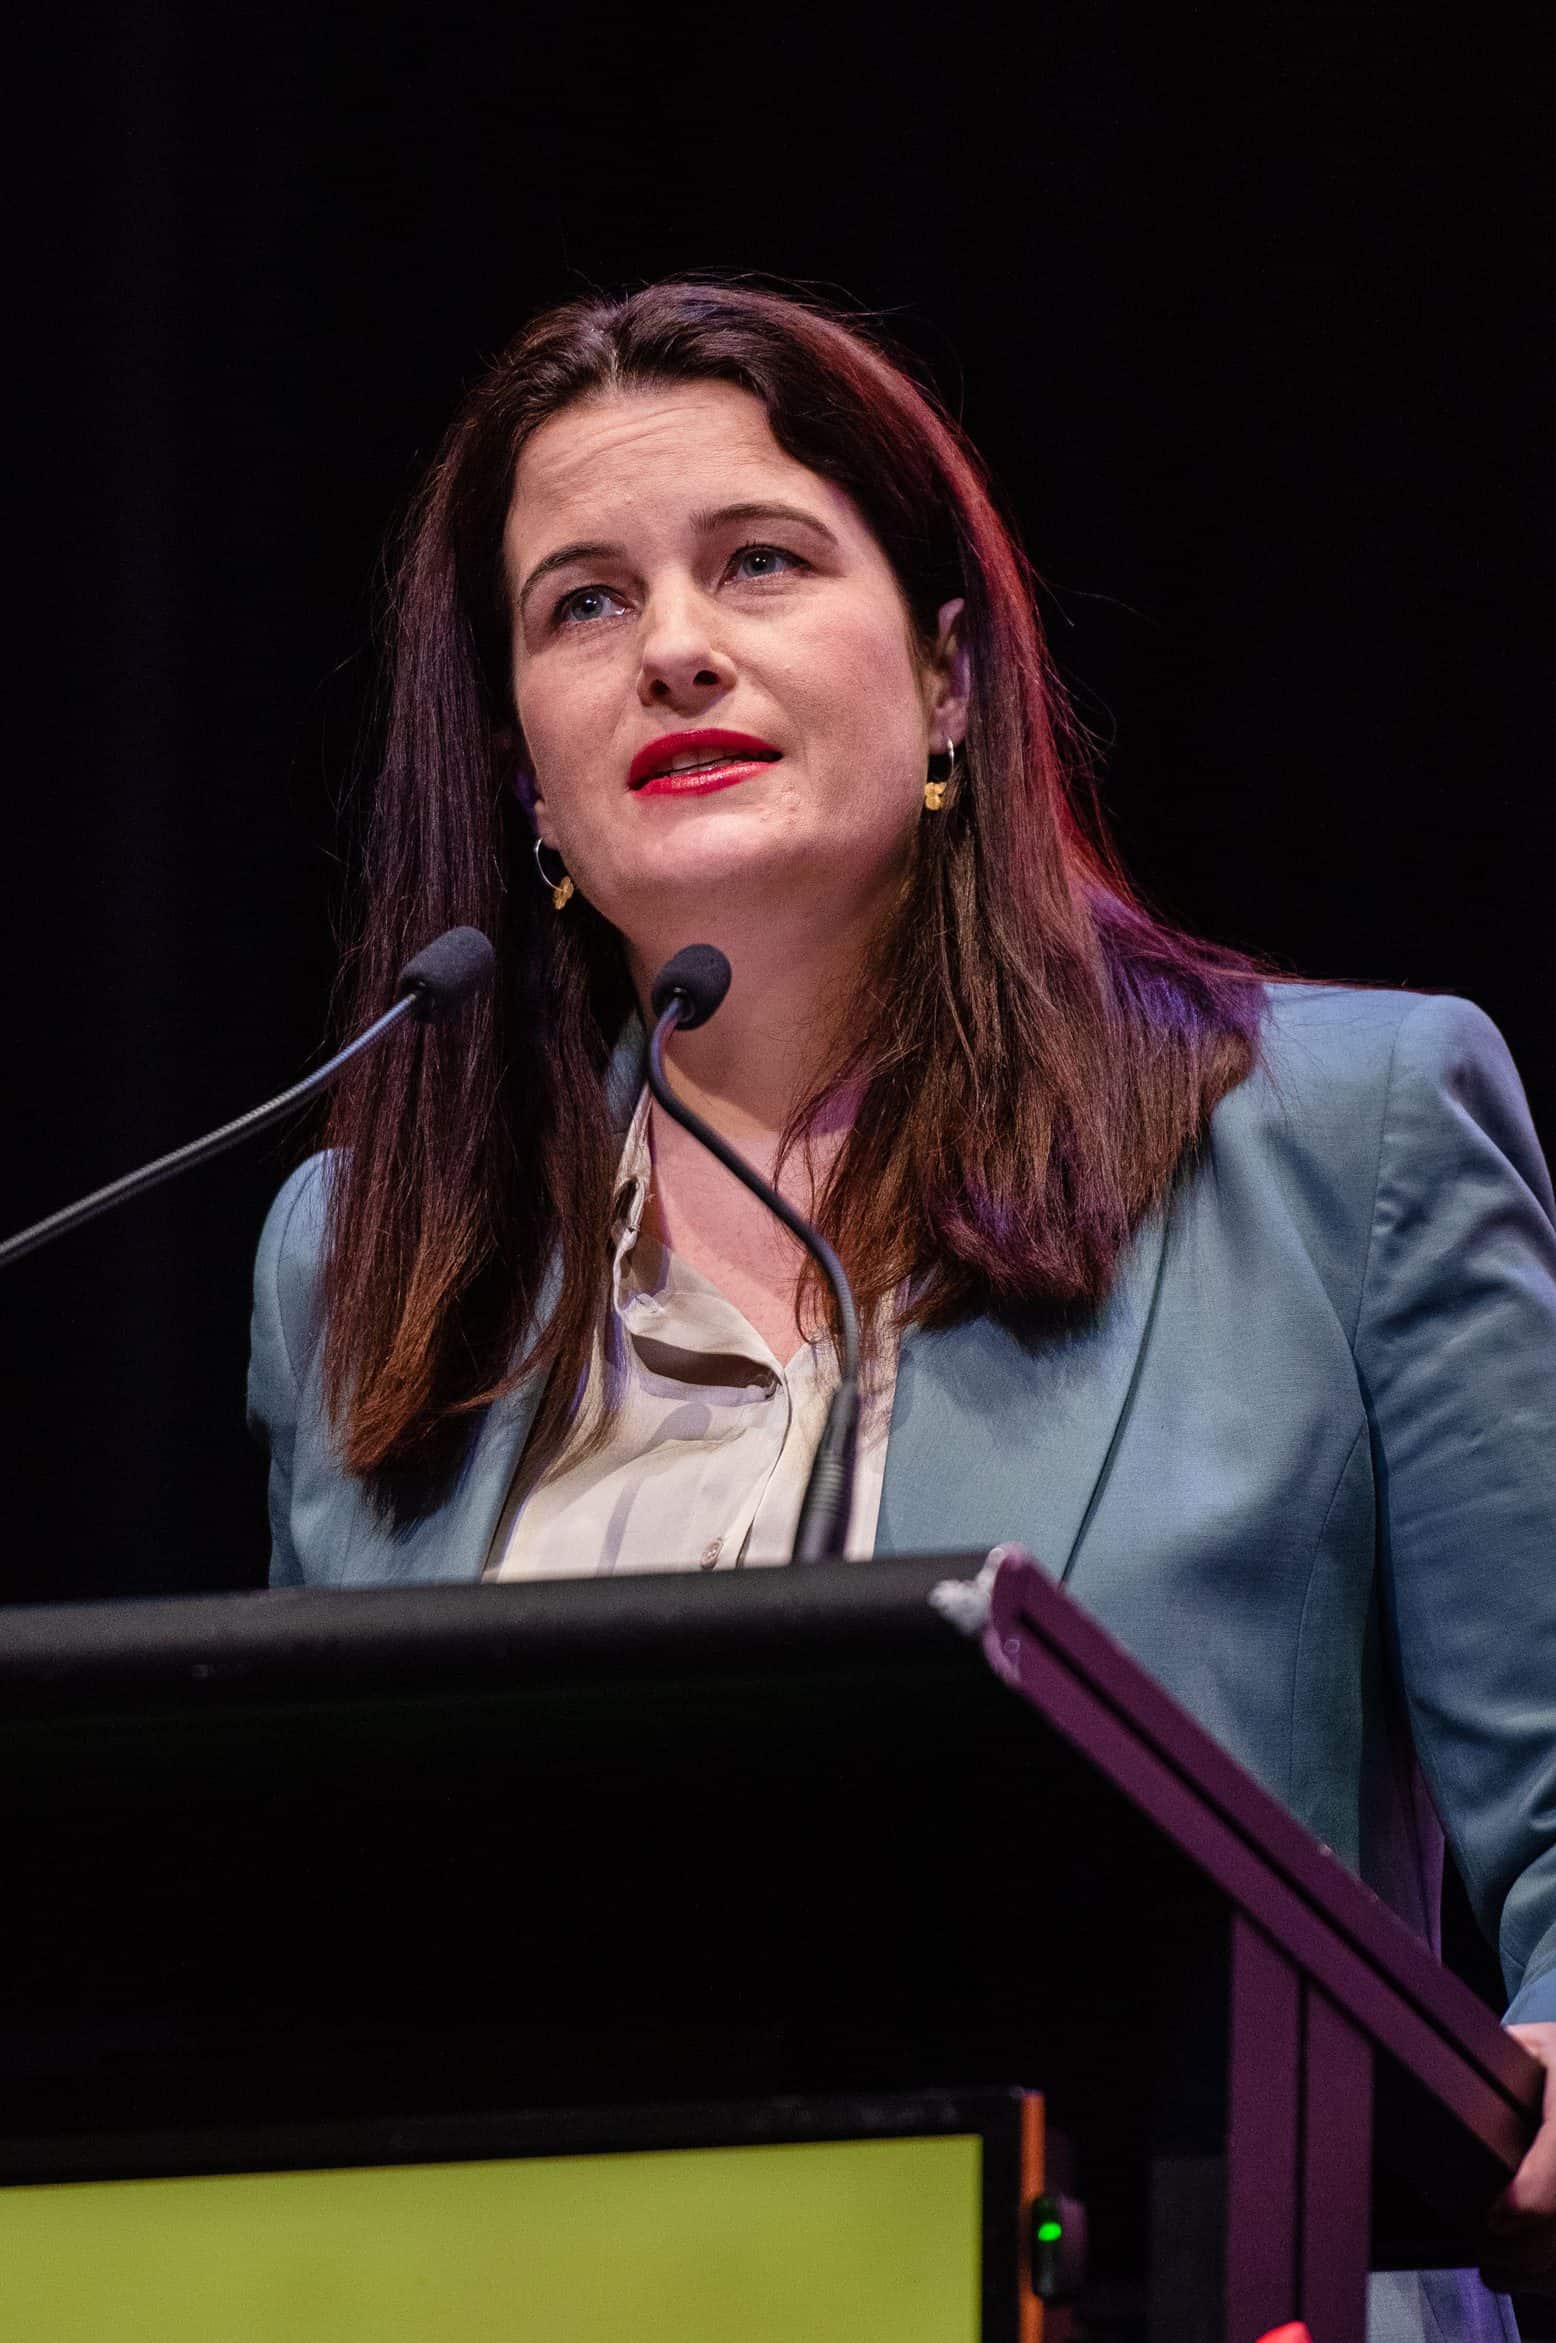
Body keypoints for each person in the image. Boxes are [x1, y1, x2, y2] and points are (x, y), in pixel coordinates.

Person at [246, 278, 1556, 2329]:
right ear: (522, 770)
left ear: (948, 677)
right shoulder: (374, 1250)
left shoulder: (1339, 1132)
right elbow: (347, 1947)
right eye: (579, 603)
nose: (673, 640)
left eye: (758, 560)